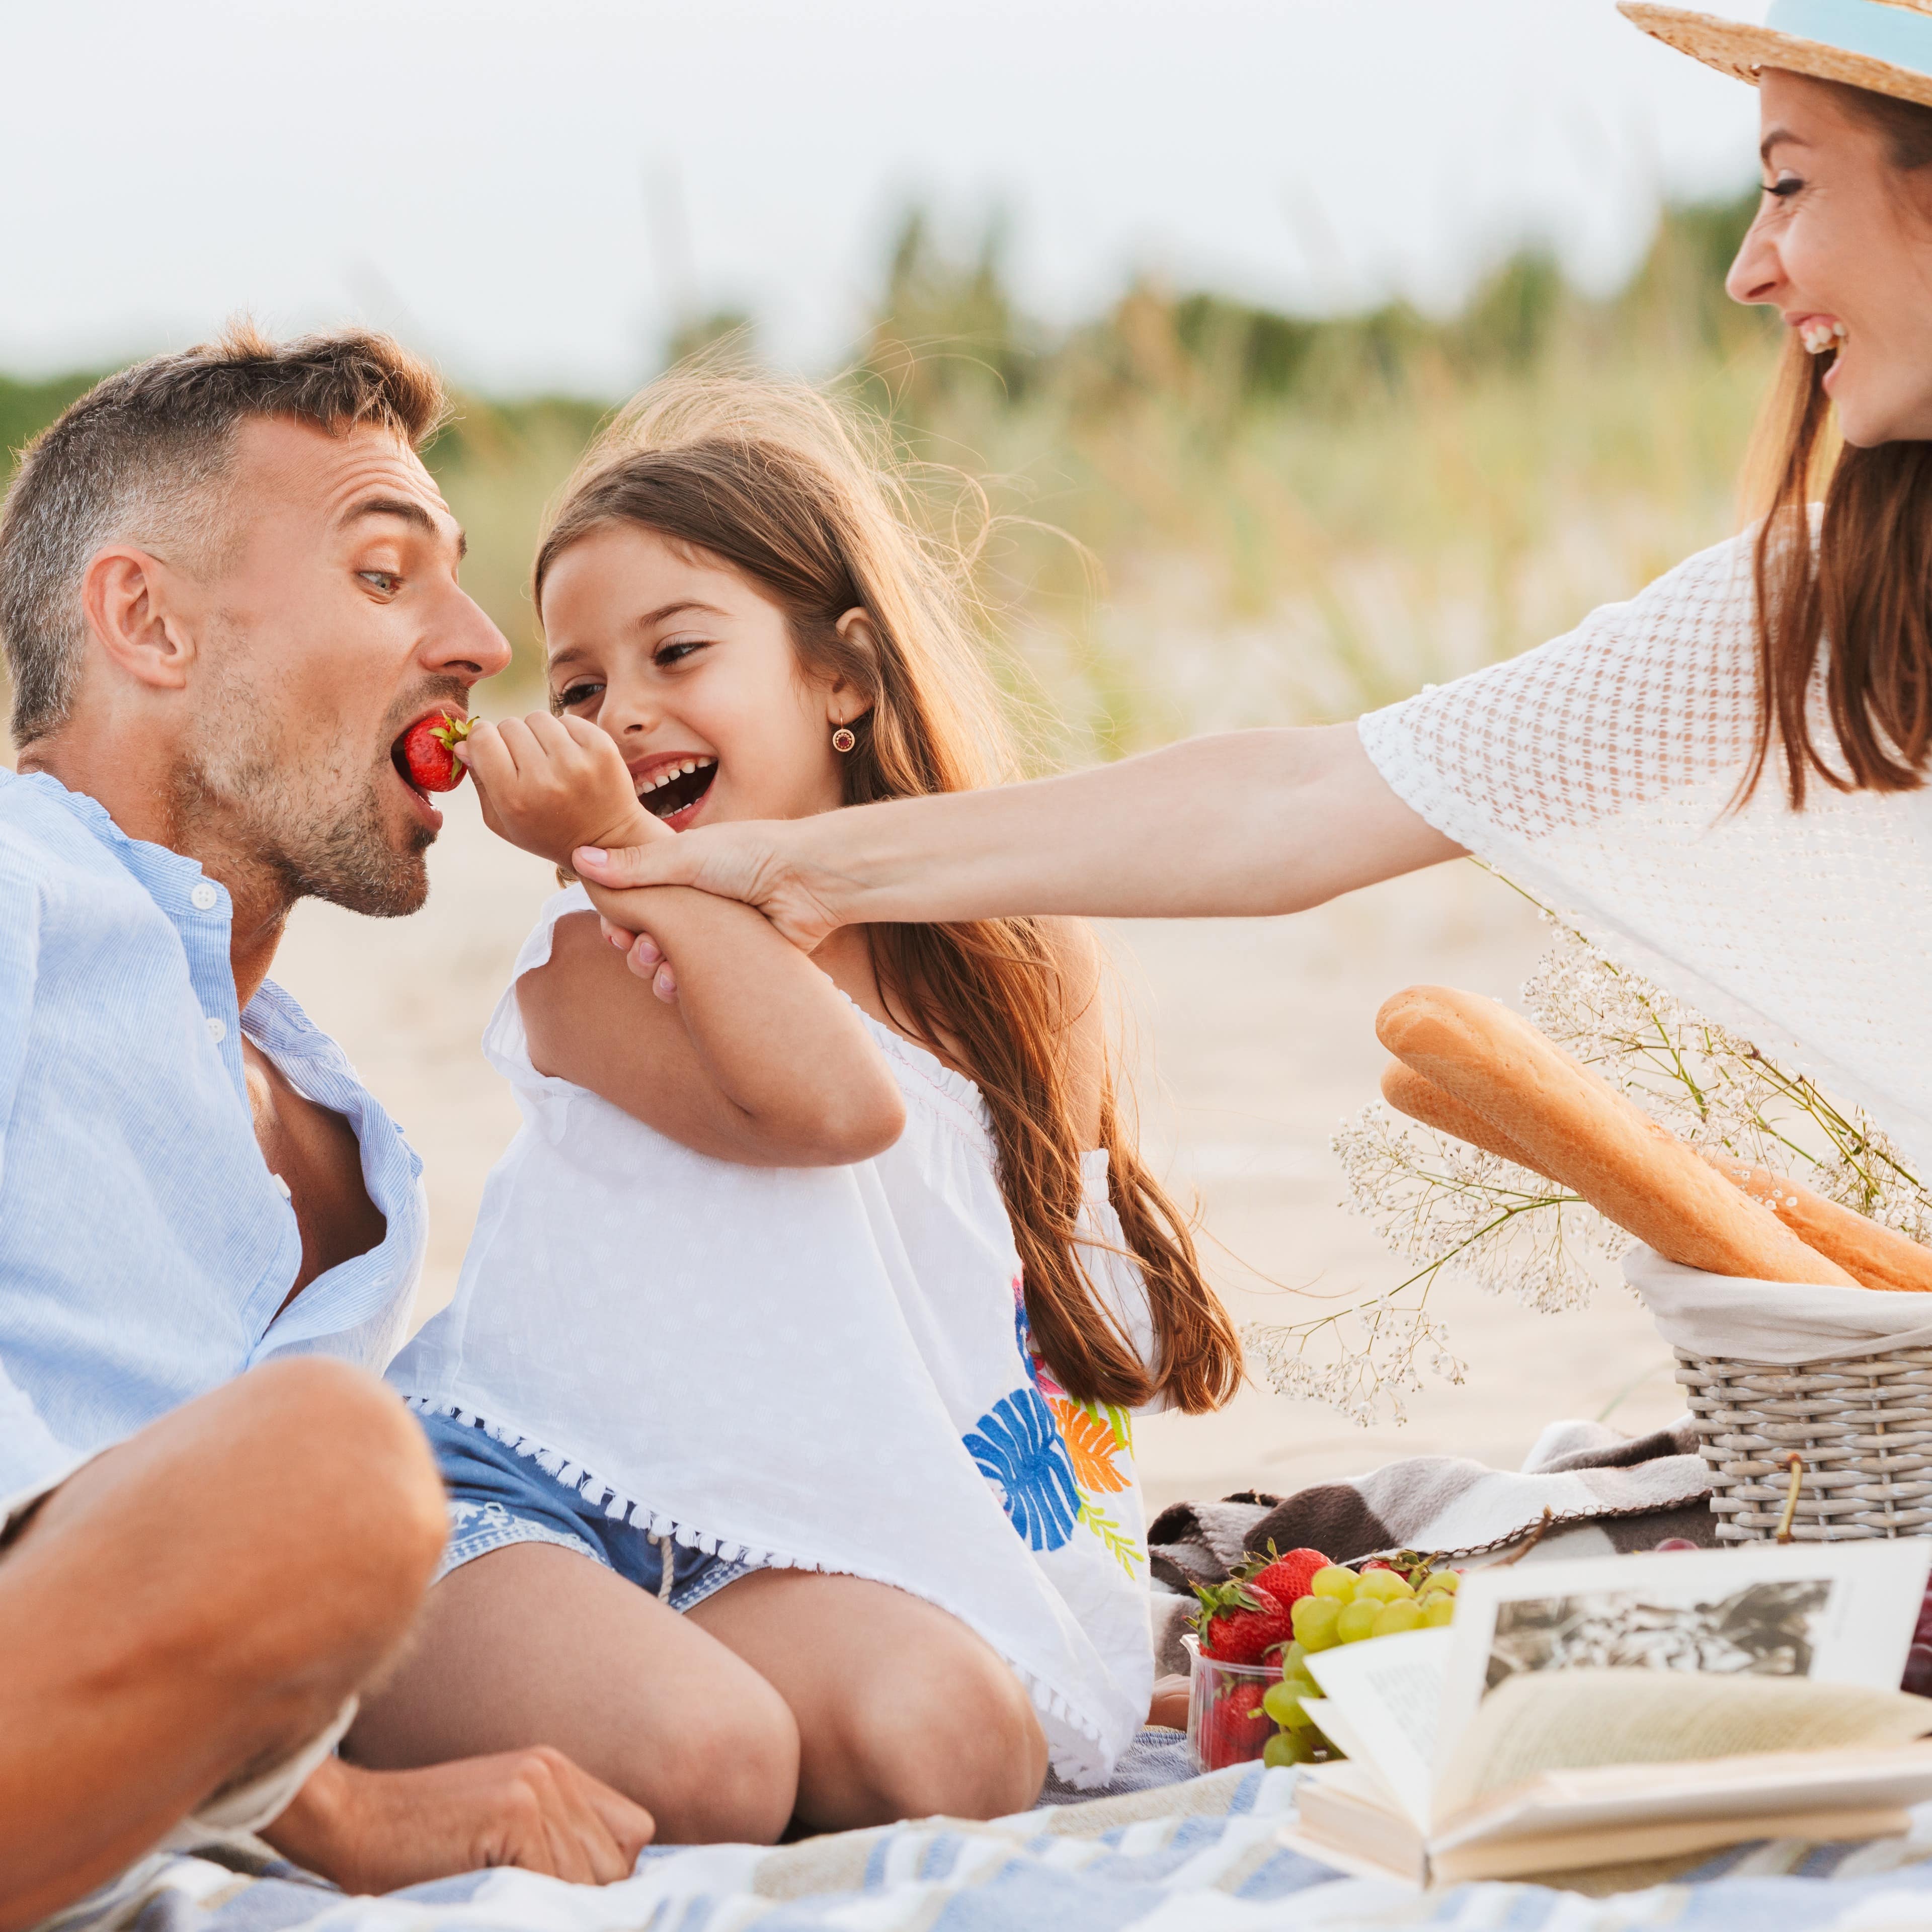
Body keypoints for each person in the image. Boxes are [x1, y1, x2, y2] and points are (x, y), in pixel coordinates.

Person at [569, 3, 1932, 1188]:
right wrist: (807, 865)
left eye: (1791, 186)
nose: (1749, 265)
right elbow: (1298, 804)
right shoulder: (1829, 603)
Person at [350, 372, 1242, 1839]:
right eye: (579, 691)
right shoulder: (590, 959)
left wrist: (1054, 1626)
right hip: (527, 1506)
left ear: (845, 678)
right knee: (723, 1766)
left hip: (779, 1540)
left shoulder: (1006, 969)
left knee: (957, 1745)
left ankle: (622, 1702)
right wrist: (618, 850)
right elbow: (828, 1102)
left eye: (676, 652)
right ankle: (434, 1715)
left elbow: (1006, 1335)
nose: (623, 714)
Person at [0, 325, 654, 1921]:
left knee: (708, 1737)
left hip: (109, 1768)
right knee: (338, 1468)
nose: (481, 642)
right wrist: (332, 1815)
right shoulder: (20, 897)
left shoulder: (346, 1133)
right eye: (385, 577)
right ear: (146, 621)